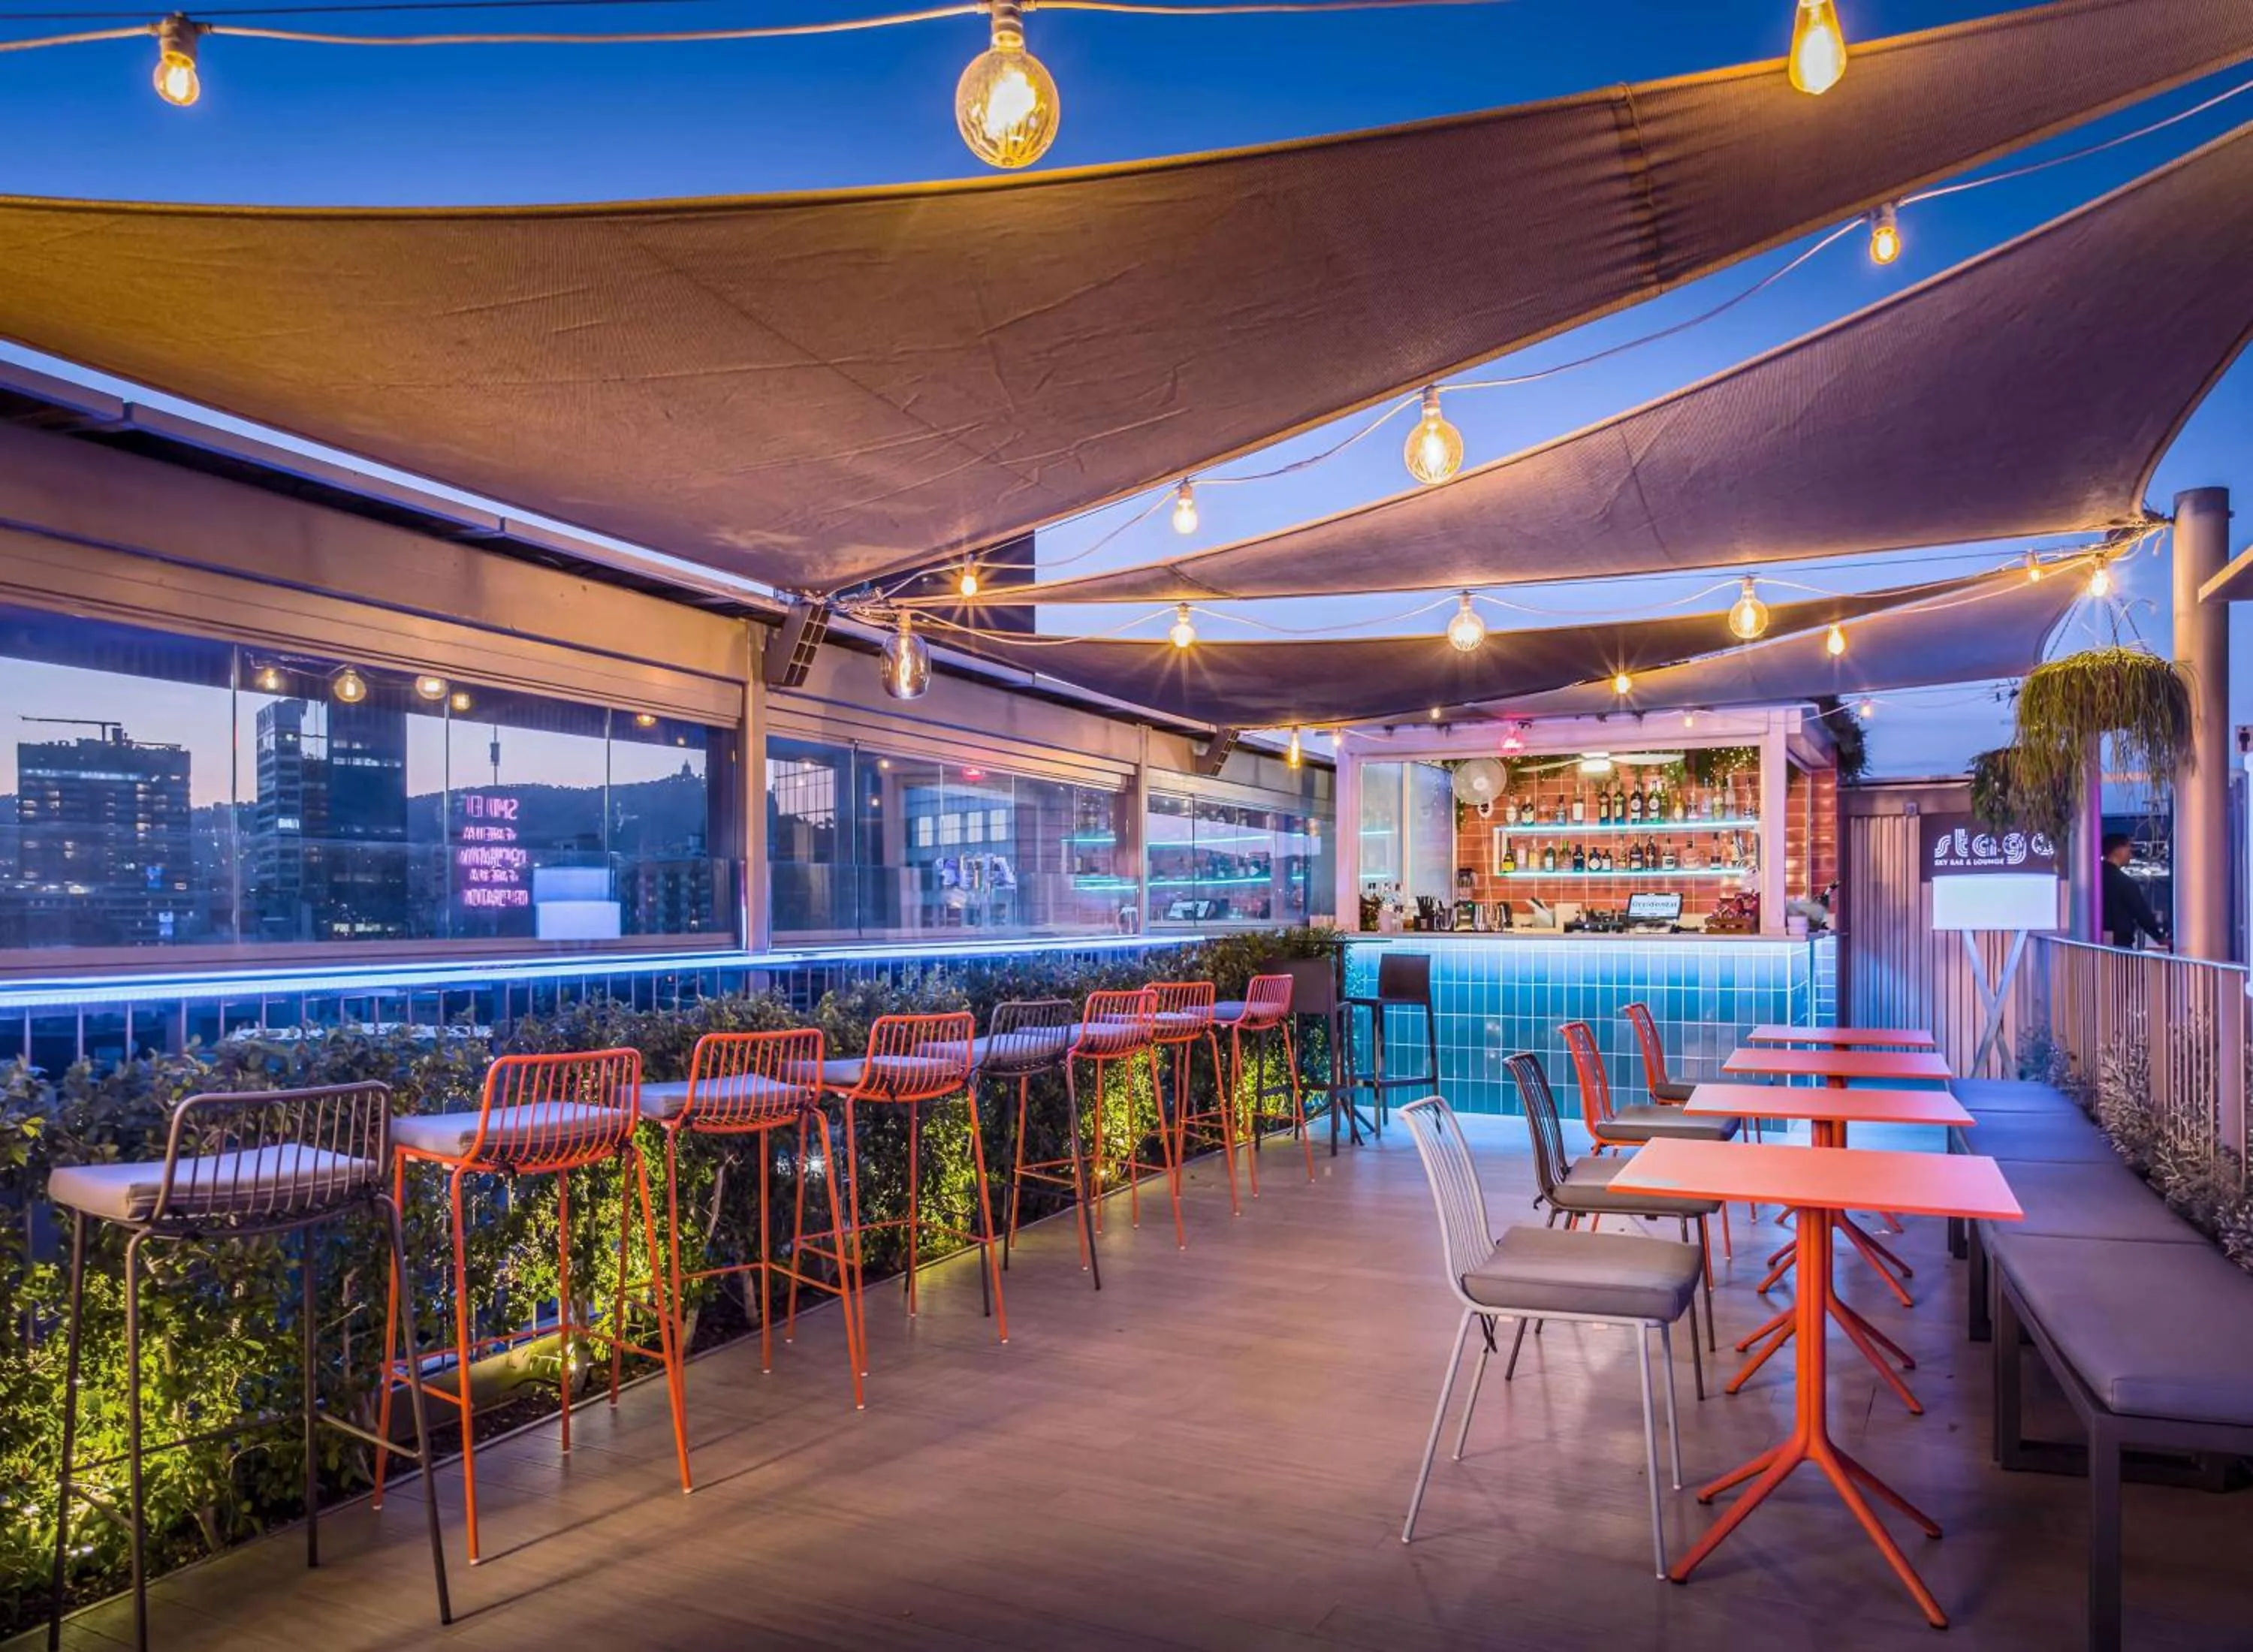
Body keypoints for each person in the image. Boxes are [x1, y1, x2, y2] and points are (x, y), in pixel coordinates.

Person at [2100, 832, 2167, 951]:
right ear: (2119, 850)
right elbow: (2141, 913)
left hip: (2093, 944)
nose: (2131, 855)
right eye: (2129, 849)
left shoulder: (2092, 878)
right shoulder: (2125, 883)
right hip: (2120, 944)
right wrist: (2159, 937)